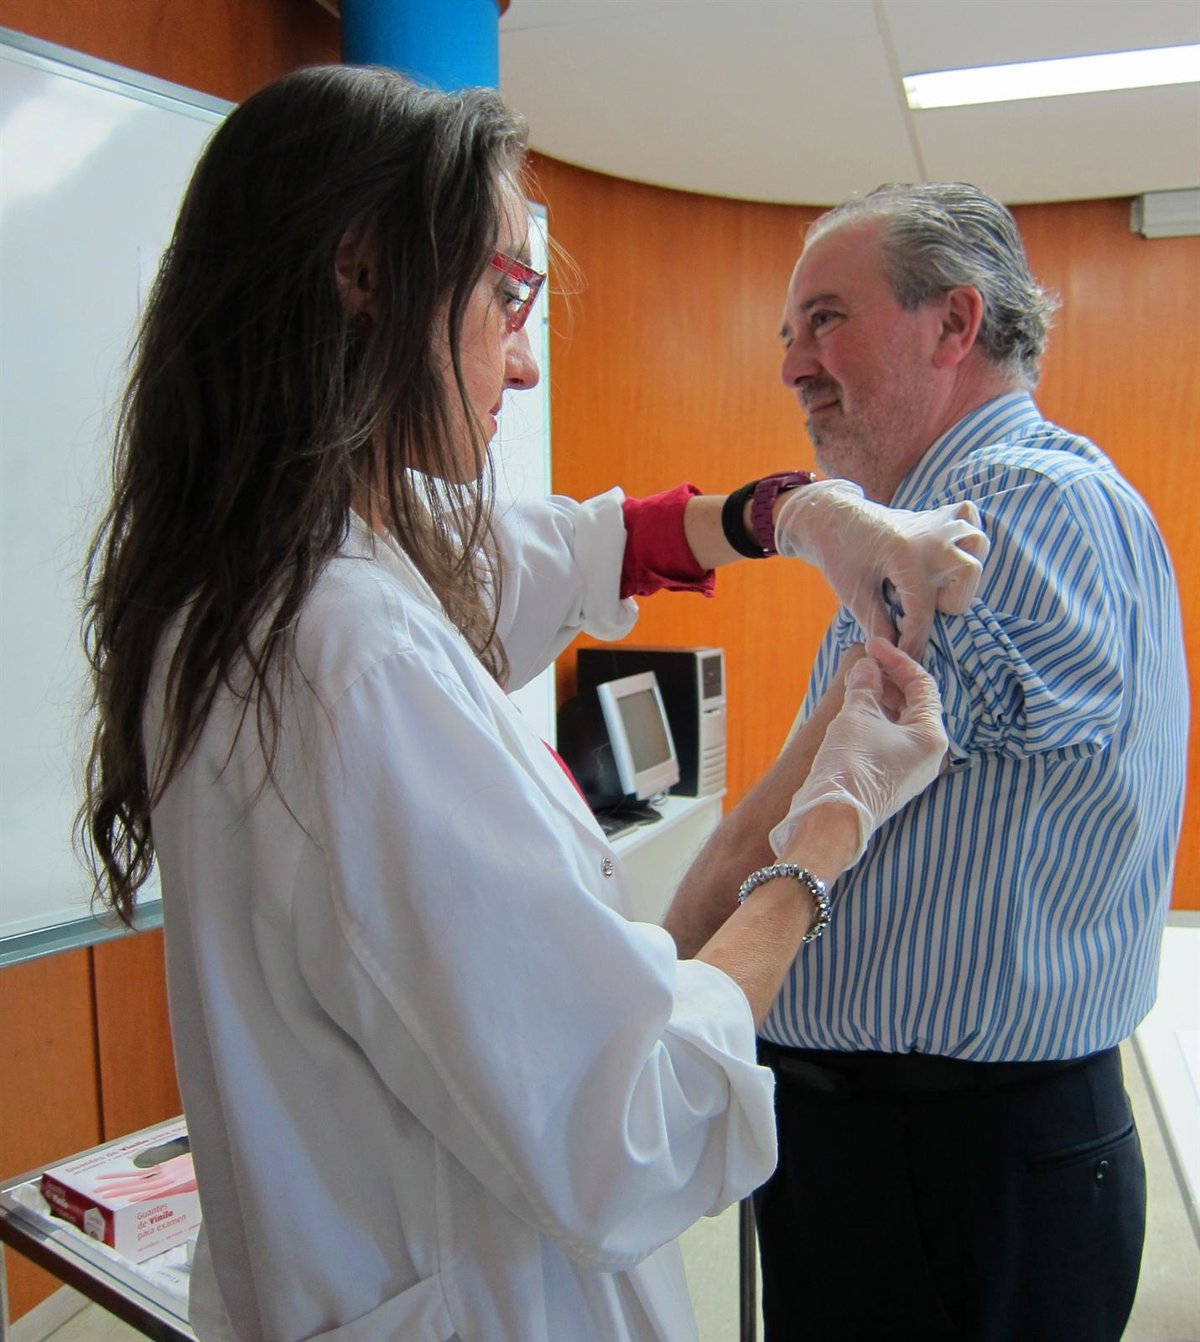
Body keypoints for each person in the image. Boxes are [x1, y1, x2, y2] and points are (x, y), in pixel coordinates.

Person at [79, 70, 983, 1342]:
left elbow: (560, 549)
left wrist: (798, 514)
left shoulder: (244, 572)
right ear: (364, 272)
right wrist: (831, 822)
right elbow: (636, 1125)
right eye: (506, 292)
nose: (526, 355)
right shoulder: (354, 660)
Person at [665, 181, 1189, 1342]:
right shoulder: (1013, 502)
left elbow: (777, 821)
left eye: (827, 320)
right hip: (934, 1156)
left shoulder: (1002, 511)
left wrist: (650, 995)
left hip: (943, 1168)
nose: (793, 364)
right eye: (789, 331)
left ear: (955, 323)